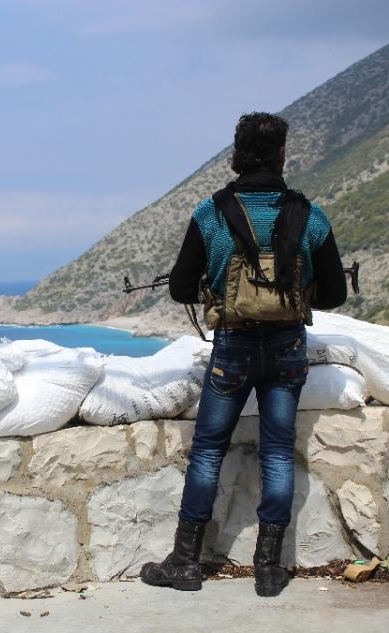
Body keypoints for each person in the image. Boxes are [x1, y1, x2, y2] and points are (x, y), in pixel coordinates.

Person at [140, 112, 347, 597]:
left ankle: (186, 562)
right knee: (277, 451)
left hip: (232, 347)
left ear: (235, 155)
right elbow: (335, 293)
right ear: (281, 155)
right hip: (287, 348)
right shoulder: (308, 215)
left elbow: (179, 289)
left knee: (208, 451)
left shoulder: (212, 214)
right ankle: (269, 568)